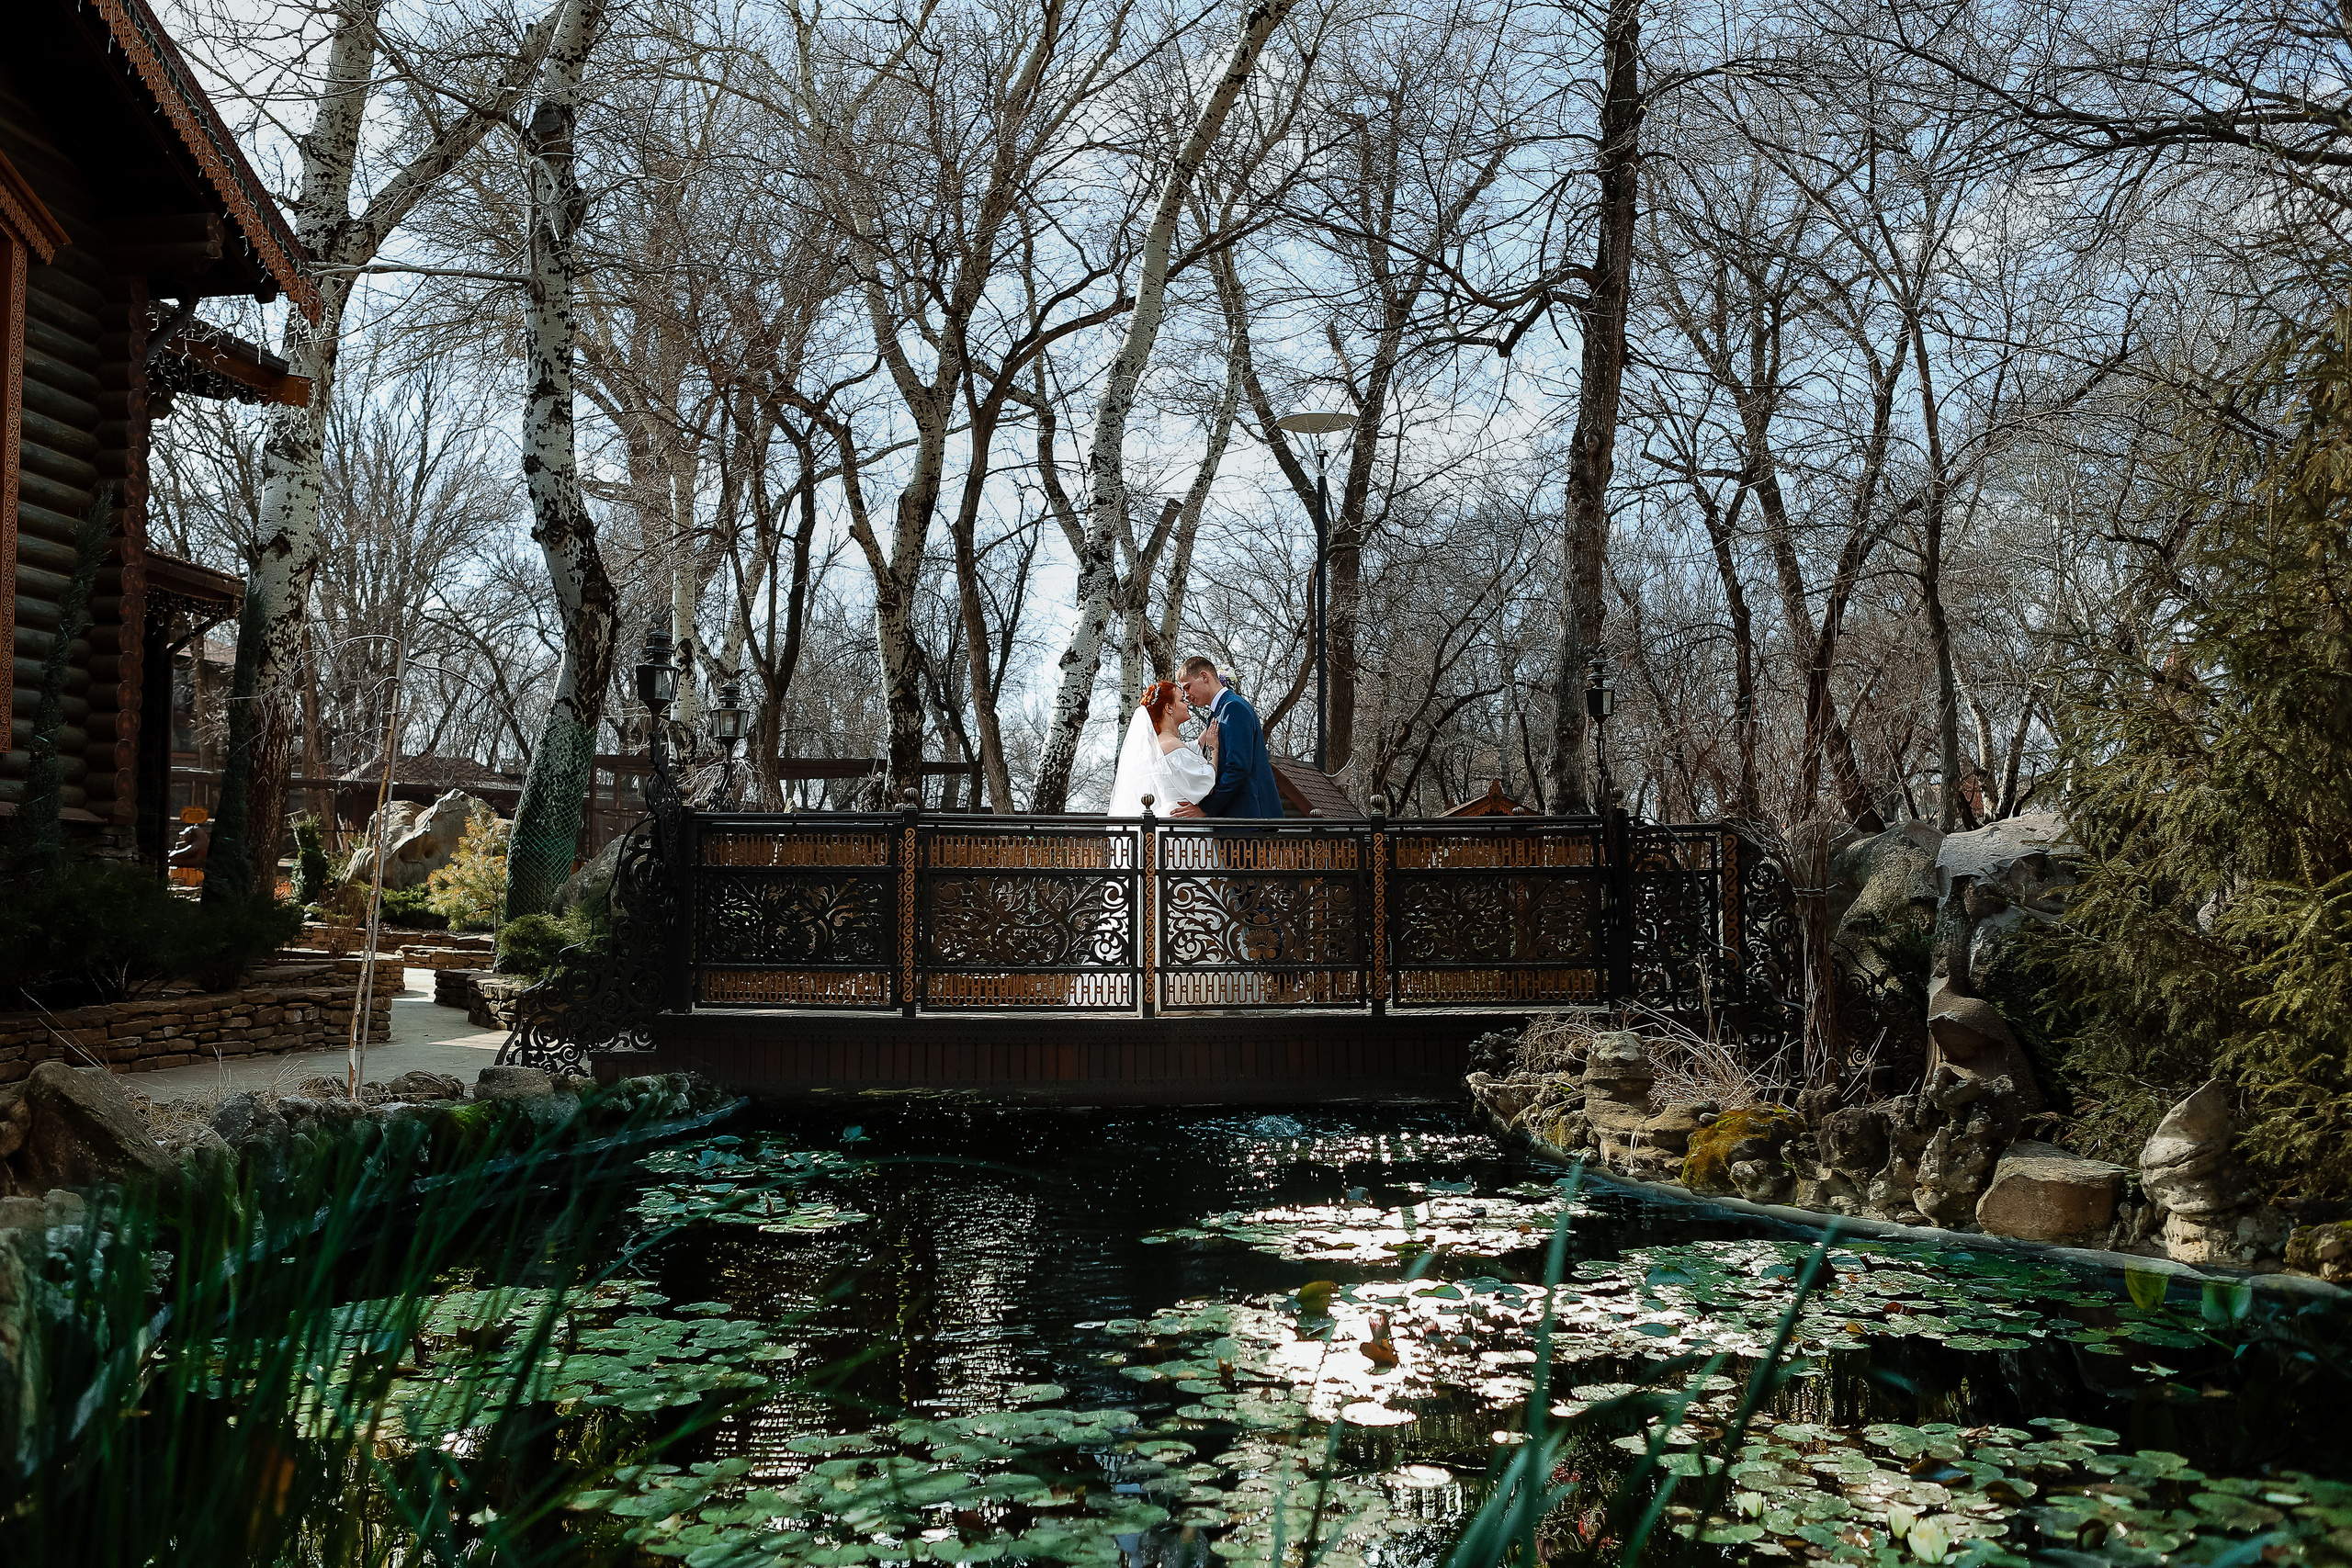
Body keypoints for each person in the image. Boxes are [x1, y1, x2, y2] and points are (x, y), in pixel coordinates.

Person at [1170, 656, 1282, 819]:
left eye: (1188, 687)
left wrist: (1207, 808)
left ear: (1204, 676)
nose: (1187, 695)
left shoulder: (1233, 708)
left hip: (1249, 819)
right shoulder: (1220, 711)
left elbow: (1238, 767)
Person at [1105, 680, 1216, 815]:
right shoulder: (1171, 745)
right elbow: (1206, 785)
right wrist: (1214, 750)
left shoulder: (1161, 744)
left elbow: (1197, 746)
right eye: (1182, 700)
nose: (1187, 703)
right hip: (1182, 820)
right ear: (1169, 708)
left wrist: (1217, 709)